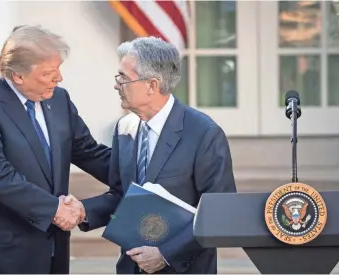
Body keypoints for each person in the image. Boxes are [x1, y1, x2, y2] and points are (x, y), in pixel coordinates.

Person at [0, 25, 109, 274]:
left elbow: (89, 151)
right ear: (18, 76)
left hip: (49, 252)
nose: (59, 78)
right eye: (49, 72)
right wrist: (56, 209)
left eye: (59, 69)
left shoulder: (59, 99)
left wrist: (139, 169)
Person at [77, 36, 237, 274]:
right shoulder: (124, 128)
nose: (116, 85)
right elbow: (121, 195)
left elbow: (220, 212)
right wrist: (82, 210)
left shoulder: (204, 134)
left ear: (152, 85)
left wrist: (166, 254)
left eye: (123, 78)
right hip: (132, 267)